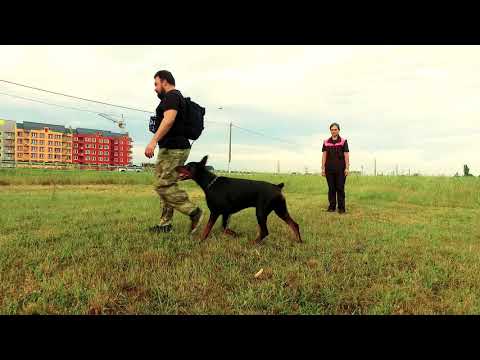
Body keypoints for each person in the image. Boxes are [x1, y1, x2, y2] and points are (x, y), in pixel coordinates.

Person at [145, 70, 203, 233]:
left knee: (163, 185)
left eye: (156, 84)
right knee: (165, 184)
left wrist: (153, 141)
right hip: (169, 148)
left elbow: (169, 120)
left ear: (164, 81)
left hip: (175, 148)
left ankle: (194, 211)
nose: (155, 88)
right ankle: (165, 224)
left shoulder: (172, 96)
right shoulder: (172, 98)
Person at [321, 123, 350, 213]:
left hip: (341, 169)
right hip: (329, 169)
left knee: (340, 188)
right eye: (332, 130)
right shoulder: (326, 142)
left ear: (338, 130)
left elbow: (346, 155)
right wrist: (323, 168)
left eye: (335, 129)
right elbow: (324, 155)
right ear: (330, 131)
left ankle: (341, 208)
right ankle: (332, 207)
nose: (333, 131)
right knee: (331, 188)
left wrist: (347, 168)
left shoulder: (343, 141)